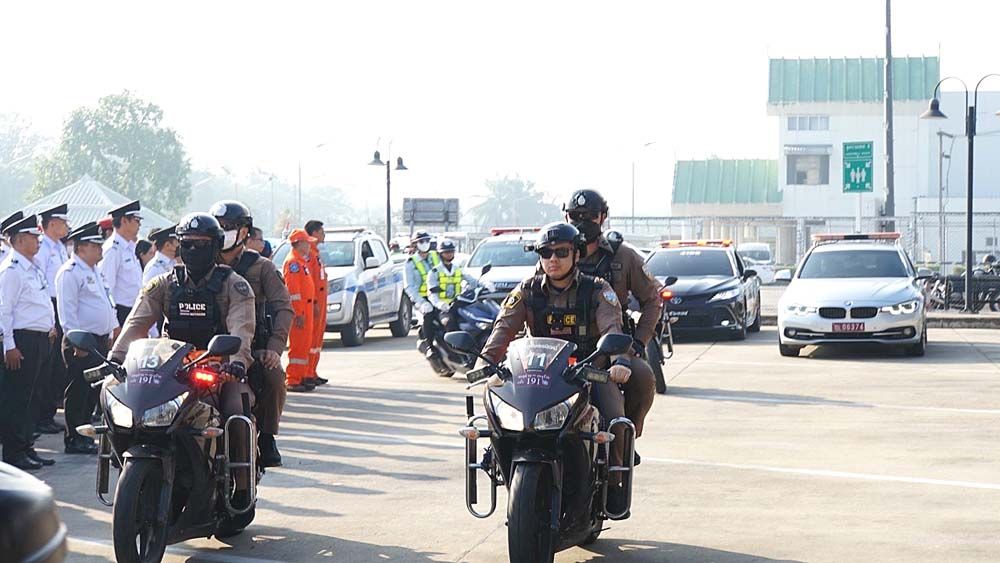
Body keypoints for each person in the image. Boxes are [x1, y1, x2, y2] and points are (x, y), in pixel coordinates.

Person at [480, 222, 632, 511]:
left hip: (587, 373)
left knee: (615, 416)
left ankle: (613, 480)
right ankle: (498, 459)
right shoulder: (527, 290)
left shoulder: (597, 289)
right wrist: (485, 362)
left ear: (576, 255)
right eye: (546, 252)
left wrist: (619, 362)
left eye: (561, 252)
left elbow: (612, 327)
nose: (553, 259)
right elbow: (503, 329)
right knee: (492, 393)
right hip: (535, 374)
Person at [109, 212, 257, 494]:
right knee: (117, 398)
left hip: (217, 369)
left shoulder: (234, 285)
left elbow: (242, 330)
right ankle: (122, 464)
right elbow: (137, 324)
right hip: (170, 370)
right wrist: (116, 359)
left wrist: (236, 364)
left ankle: (240, 485)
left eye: (200, 244)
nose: (192, 250)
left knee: (237, 411)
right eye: (186, 244)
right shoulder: (164, 283)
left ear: (215, 247)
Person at [563, 189, 659, 444]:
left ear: (603, 217)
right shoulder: (557, 254)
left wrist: (638, 343)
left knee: (642, 376)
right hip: (561, 349)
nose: (581, 221)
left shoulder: (624, 256)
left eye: (590, 215)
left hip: (609, 350)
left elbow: (652, 300)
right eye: (575, 215)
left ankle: (625, 445)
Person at [212, 200, 293, 467]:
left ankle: (267, 437)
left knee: (274, 377)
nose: (223, 232)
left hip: (251, 348)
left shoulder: (262, 267)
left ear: (245, 232)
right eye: (219, 227)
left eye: (230, 227)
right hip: (205, 349)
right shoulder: (200, 261)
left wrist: (274, 347)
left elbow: (283, 308)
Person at [55, 222, 118, 455]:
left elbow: (105, 302)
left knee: (91, 391)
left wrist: (111, 331)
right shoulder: (70, 272)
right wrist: (76, 342)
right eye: (95, 245)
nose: (101, 249)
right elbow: (67, 312)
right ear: (81, 248)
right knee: (78, 391)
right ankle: (74, 438)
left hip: (97, 340)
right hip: (81, 342)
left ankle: (84, 435)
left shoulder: (94, 270)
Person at [0, 214, 57, 471]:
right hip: (22, 340)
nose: (38, 242)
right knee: (18, 399)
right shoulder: (10, 270)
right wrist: (9, 345)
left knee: (33, 398)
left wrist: (50, 325)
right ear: (19, 240)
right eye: (33, 238)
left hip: (39, 339)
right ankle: (14, 453)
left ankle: (26, 447)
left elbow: (41, 300)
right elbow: (4, 310)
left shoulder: (31, 266)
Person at [35, 204, 72, 436]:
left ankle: (47, 414)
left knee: (55, 367)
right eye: (63, 222)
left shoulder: (58, 247)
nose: (67, 226)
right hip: (48, 306)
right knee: (45, 367)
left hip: (57, 306)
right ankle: (40, 417)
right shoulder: (41, 247)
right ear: (52, 224)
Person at [99, 200, 144, 326]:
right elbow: (107, 289)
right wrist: (114, 323)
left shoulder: (129, 248)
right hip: (120, 313)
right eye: (136, 220)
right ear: (124, 221)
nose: (139, 225)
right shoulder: (112, 250)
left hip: (133, 312)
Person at [282, 229, 316, 392]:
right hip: (301, 310)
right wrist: (298, 313)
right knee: (297, 346)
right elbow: (293, 291)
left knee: (304, 345)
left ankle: (301, 376)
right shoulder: (293, 263)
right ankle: (293, 379)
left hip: (307, 308)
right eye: (307, 242)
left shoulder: (301, 262)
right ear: (299, 243)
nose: (309, 245)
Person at [427, 238, 485, 331]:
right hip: (443, 308)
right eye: (446, 252)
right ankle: (452, 345)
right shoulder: (434, 272)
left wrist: (485, 284)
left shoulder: (458, 269)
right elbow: (431, 293)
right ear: (440, 254)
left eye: (451, 252)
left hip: (458, 304)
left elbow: (473, 281)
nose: (449, 254)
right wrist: (439, 304)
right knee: (449, 322)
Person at [403, 231, 441, 356]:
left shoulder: (437, 256)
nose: (425, 244)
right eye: (421, 241)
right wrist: (421, 302)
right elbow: (409, 287)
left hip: (440, 296)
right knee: (428, 314)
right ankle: (429, 346)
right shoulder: (410, 263)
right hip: (423, 299)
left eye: (427, 241)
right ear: (415, 244)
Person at [303, 220, 328, 386]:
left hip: (320, 301)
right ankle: (306, 374)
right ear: (314, 233)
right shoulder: (308, 255)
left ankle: (312, 371)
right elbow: (309, 282)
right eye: (321, 231)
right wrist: (315, 304)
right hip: (314, 303)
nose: (324, 235)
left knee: (317, 340)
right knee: (310, 340)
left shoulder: (315, 253)